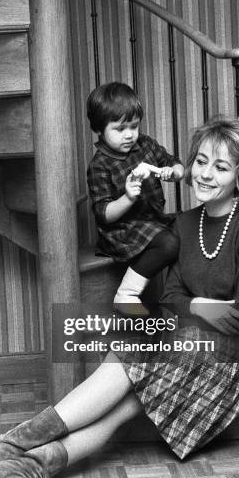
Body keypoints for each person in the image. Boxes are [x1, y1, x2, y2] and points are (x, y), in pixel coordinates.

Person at [0, 116, 239, 478]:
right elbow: (175, 297)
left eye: (221, 166)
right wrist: (196, 307)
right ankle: (28, 469)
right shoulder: (184, 224)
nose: (205, 174)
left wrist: (190, 313)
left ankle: (14, 445)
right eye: (200, 160)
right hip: (193, 337)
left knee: (132, 357)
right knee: (128, 395)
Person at [86, 82, 184, 312]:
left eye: (134, 126)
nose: (129, 135)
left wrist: (174, 173)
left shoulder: (145, 145)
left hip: (153, 219)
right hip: (122, 230)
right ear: (100, 129)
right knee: (169, 243)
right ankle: (126, 293)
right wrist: (127, 198)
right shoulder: (99, 165)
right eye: (120, 129)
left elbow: (175, 163)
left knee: (190, 226)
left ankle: (178, 295)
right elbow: (104, 215)